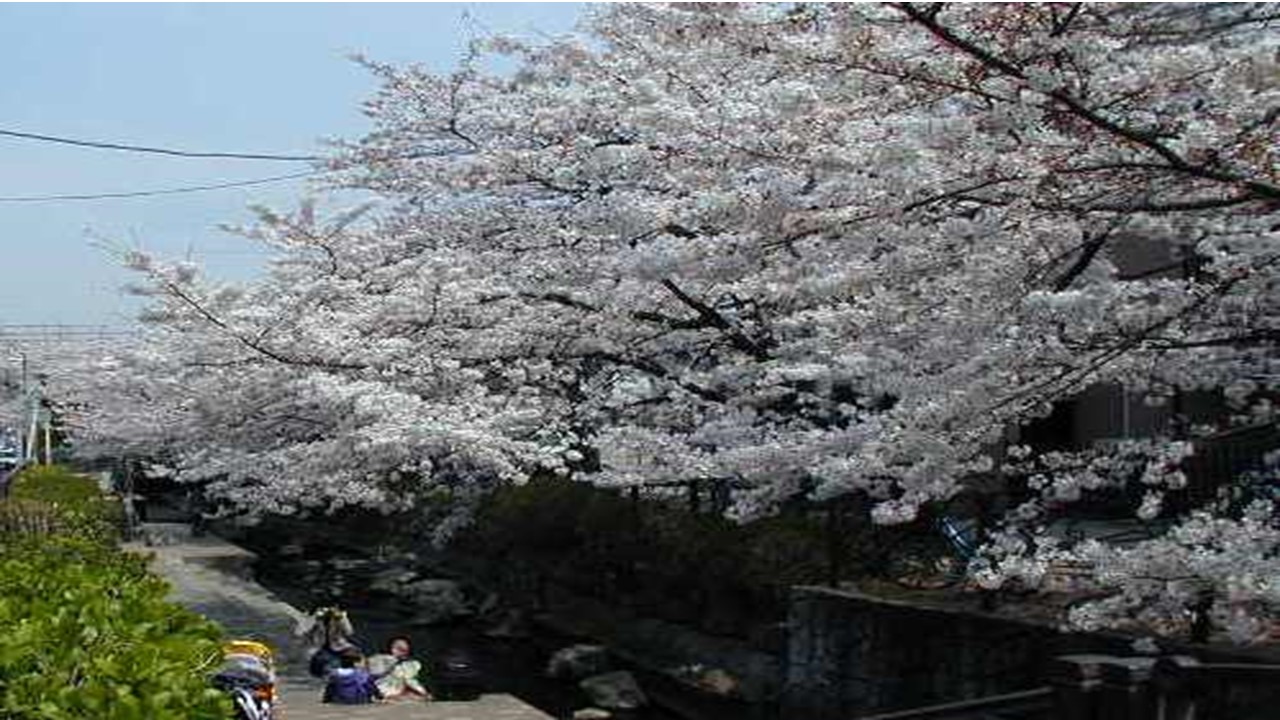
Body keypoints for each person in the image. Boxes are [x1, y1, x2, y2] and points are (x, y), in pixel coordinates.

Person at [302, 607, 360, 678]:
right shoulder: (318, 621)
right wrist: (313, 618)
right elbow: (301, 632)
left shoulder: (339, 619)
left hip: (339, 647)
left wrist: (343, 618)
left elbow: (349, 632)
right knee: (317, 664)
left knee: (354, 654)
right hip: (321, 647)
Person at [367, 636, 431, 701]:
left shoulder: (411, 664)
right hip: (387, 692)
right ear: (392, 648)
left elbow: (410, 681)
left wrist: (423, 692)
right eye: (400, 649)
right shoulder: (379, 659)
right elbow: (375, 675)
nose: (404, 652)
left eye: (405, 649)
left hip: (399, 691)